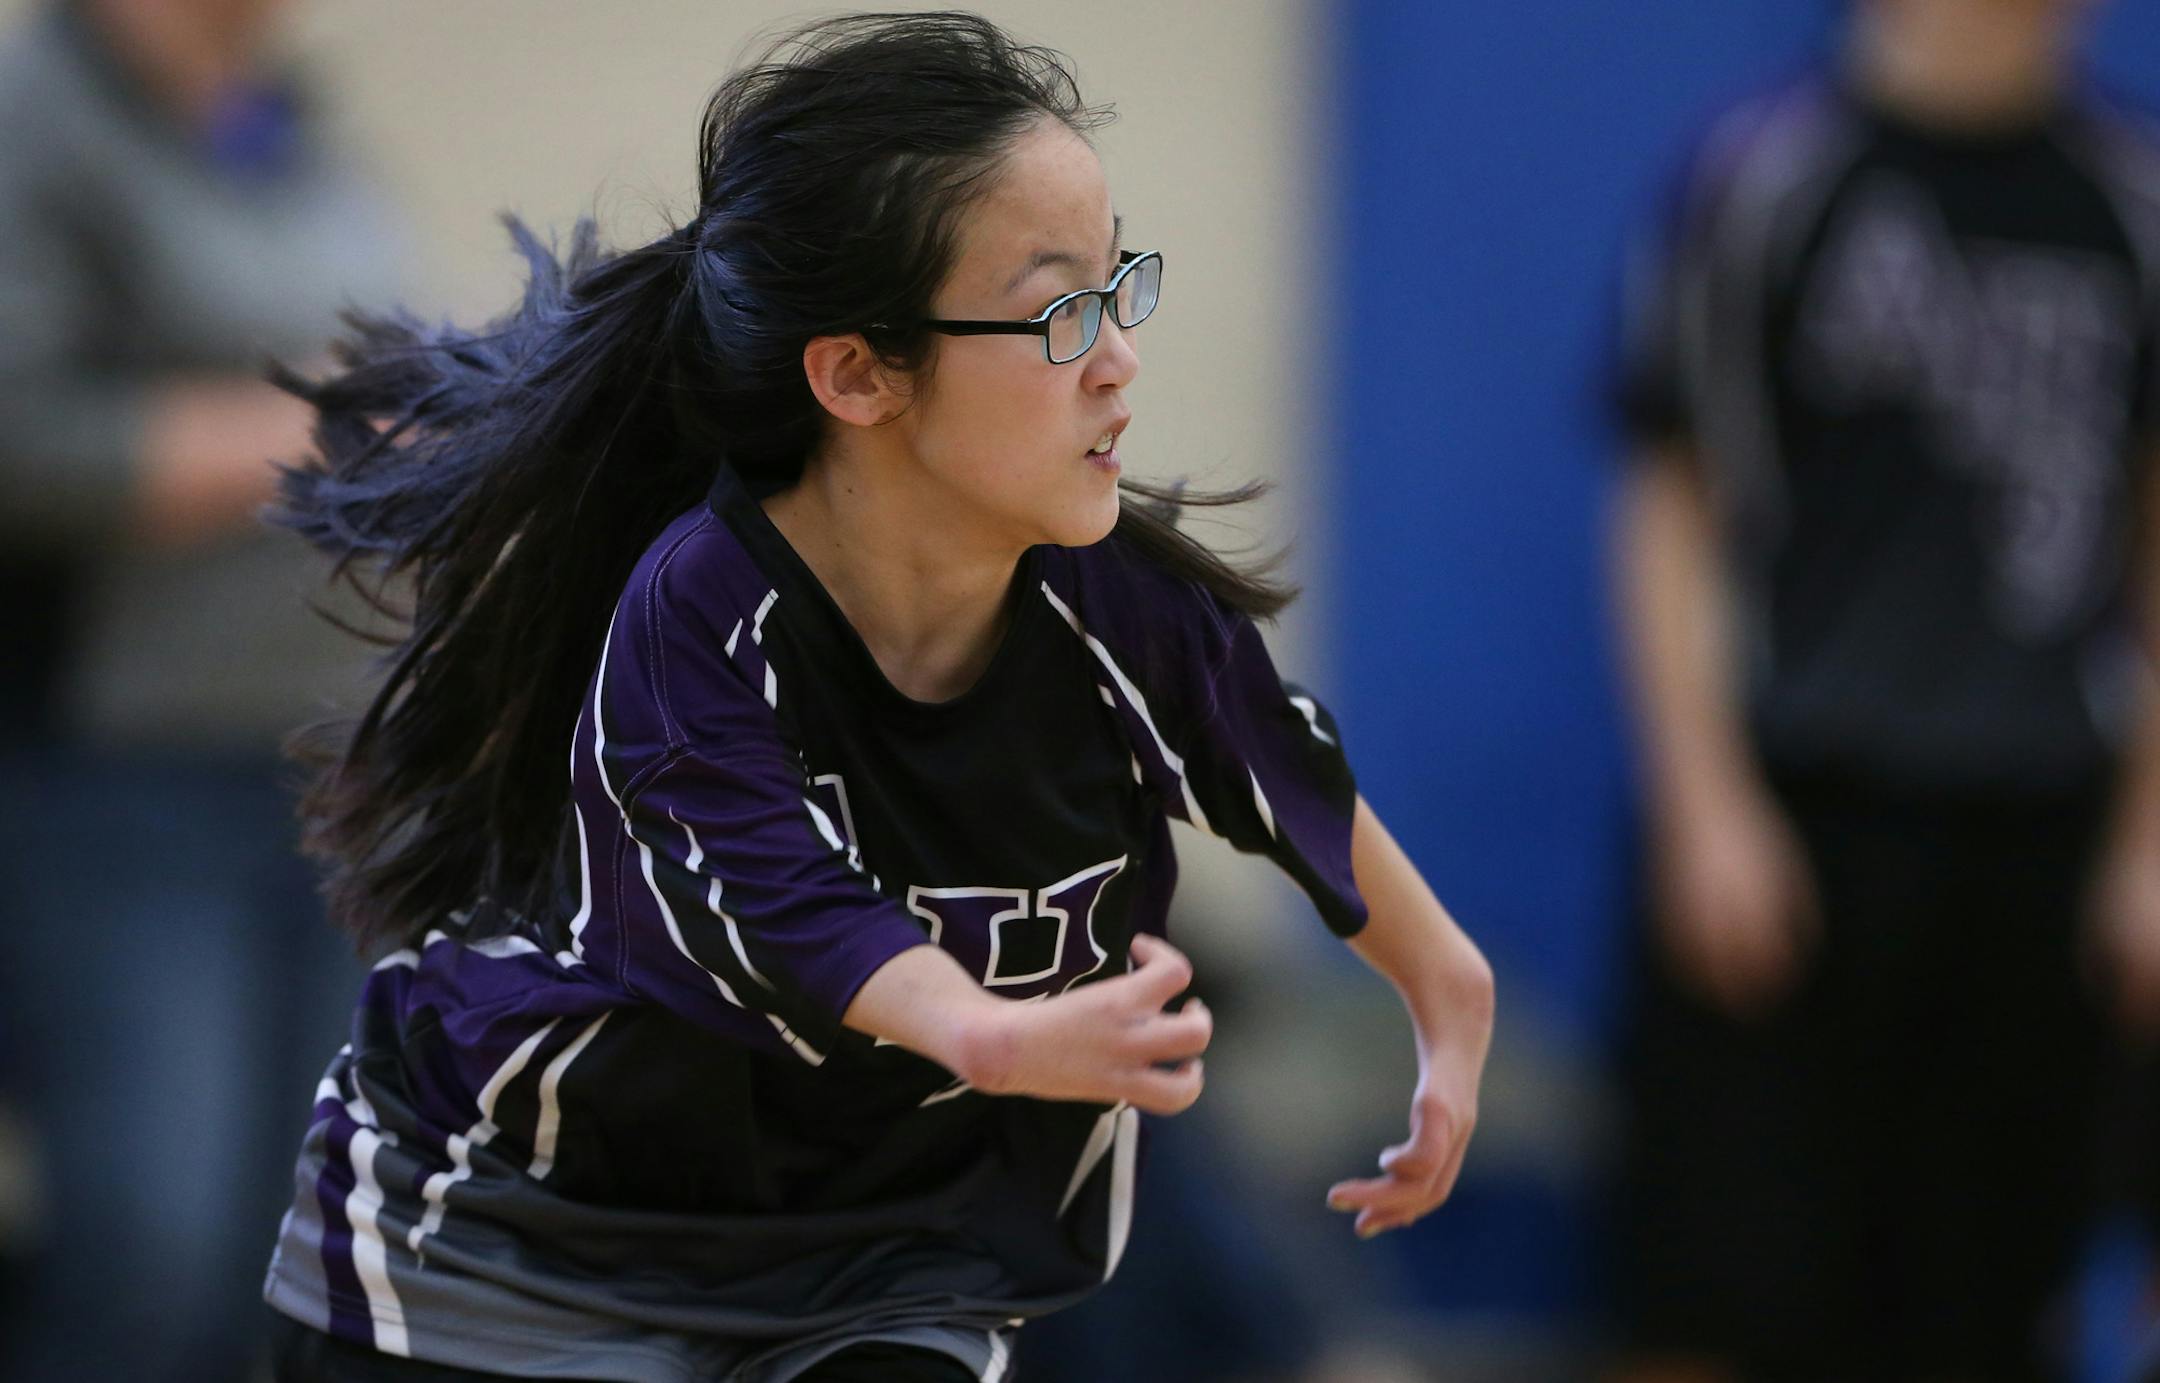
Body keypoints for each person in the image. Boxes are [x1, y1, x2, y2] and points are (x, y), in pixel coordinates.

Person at [257, 14, 1495, 1382]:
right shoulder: (696, 618)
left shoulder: (1126, 608)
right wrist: (997, 1031)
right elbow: (793, 913)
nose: (1117, 357)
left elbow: (1280, 776)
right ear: (856, 372)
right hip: (527, 1243)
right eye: (1056, 309)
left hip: (886, 1245)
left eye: (1118, 284)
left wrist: (1447, 988)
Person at [1608, 0, 2160, 1379]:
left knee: (1987, 1307)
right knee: (1714, 1293)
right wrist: (1704, 806)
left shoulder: (2133, 203)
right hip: (1801, 808)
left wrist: (2150, 840)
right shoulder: (1769, 174)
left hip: (2042, 823)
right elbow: (1667, 504)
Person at [0, 0, 399, 1378]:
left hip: (329, 776)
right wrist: (327, 426)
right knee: (151, 1248)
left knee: (296, 1252)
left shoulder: (280, 117)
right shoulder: (35, 113)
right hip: (121, 777)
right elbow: (22, 440)